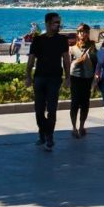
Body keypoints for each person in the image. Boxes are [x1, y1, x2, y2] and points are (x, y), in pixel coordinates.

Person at [25, 13, 69, 151]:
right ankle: (43, 132)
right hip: (39, 78)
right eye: (55, 22)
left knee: (52, 109)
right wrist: (28, 76)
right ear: (47, 23)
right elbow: (31, 59)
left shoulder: (62, 39)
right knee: (38, 109)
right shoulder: (38, 40)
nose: (58, 25)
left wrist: (68, 77)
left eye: (59, 22)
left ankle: (49, 135)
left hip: (55, 78)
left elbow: (66, 59)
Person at [68, 24, 98, 138]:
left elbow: (97, 64)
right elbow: (67, 64)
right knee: (74, 103)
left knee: (85, 103)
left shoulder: (93, 47)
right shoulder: (72, 47)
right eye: (80, 32)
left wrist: (95, 80)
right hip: (75, 78)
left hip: (87, 78)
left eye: (85, 31)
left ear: (88, 33)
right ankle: (73, 127)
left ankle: (81, 126)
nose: (83, 34)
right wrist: (67, 77)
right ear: (77, 33)